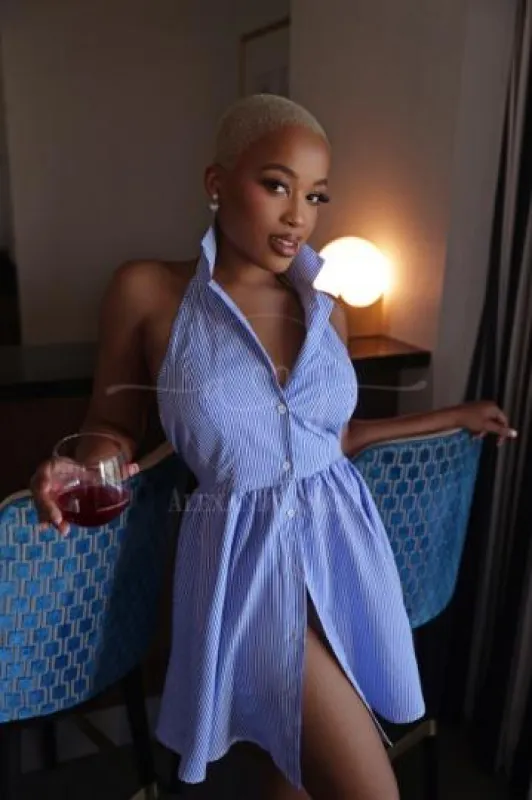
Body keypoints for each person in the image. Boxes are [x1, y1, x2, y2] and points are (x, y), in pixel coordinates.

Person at [31, 94, 516, 799]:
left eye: (315, 195)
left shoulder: (326, 308)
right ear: (217, 181)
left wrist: (448, 416)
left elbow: (332, 439)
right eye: (277, 185)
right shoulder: (150, 292)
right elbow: (113, 423)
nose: (299, 217)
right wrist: (81, 466)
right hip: (246, 566)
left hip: (344, 558)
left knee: (291, 777)